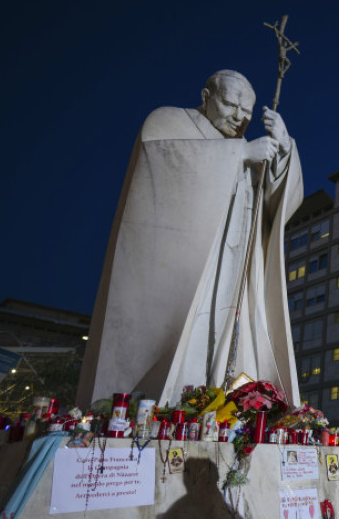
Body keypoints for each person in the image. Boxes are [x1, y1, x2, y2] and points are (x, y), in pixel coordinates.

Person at [77, 70, 303, 409]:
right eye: (230, 104)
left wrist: (283, 147)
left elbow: (275, 208)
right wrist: (237, 157)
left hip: (235, 267)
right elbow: (158, 165)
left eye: (247, 111)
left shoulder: (246, 148)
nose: (240, 117)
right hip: (190, 267)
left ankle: (225, 404)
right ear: (206, 96)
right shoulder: (168, 122)